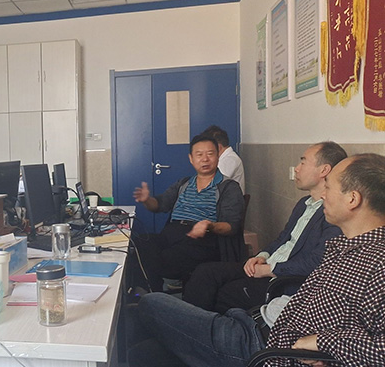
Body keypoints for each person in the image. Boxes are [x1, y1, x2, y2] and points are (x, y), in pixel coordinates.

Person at [116, 153, 385, 367]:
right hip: (258, 331)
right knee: (146, 357)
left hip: (267, 361)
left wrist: (322, 343)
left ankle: (181, 363)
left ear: (352, 199)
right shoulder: (348, 247)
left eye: (330, 188)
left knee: (150, 304)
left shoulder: (378, 262)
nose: (323, 194)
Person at [183, 141, 347, 312]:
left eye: (303, 162)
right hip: (267, 265)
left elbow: (315, 262)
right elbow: (282, 238)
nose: (297, 169)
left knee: (224, 293)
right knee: (205, 272)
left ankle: (200, 326)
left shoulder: (332, 214)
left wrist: (270, 269)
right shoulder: (303, 204)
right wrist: (262, 255)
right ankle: (185, 323)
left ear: (324, 170)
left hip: (282, 279)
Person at [126, 134, 245, 295]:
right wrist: (147, 200)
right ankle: (152, 292)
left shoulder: (228, 187)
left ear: (218, 156)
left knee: (164, 257)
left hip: (203, 238)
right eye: (199, 154)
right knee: (138, 244)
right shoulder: (184, 183)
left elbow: (232, 226)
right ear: (191, 159)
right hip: (173, 233)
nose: (205, 159)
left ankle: (155, 294)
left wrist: (209, 225)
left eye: (210, 154)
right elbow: (160, 204)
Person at [202, 124, 245, 193]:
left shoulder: (230, 160)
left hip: (229, 199)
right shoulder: (223, 159)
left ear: (218, 147)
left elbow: (213, 184)